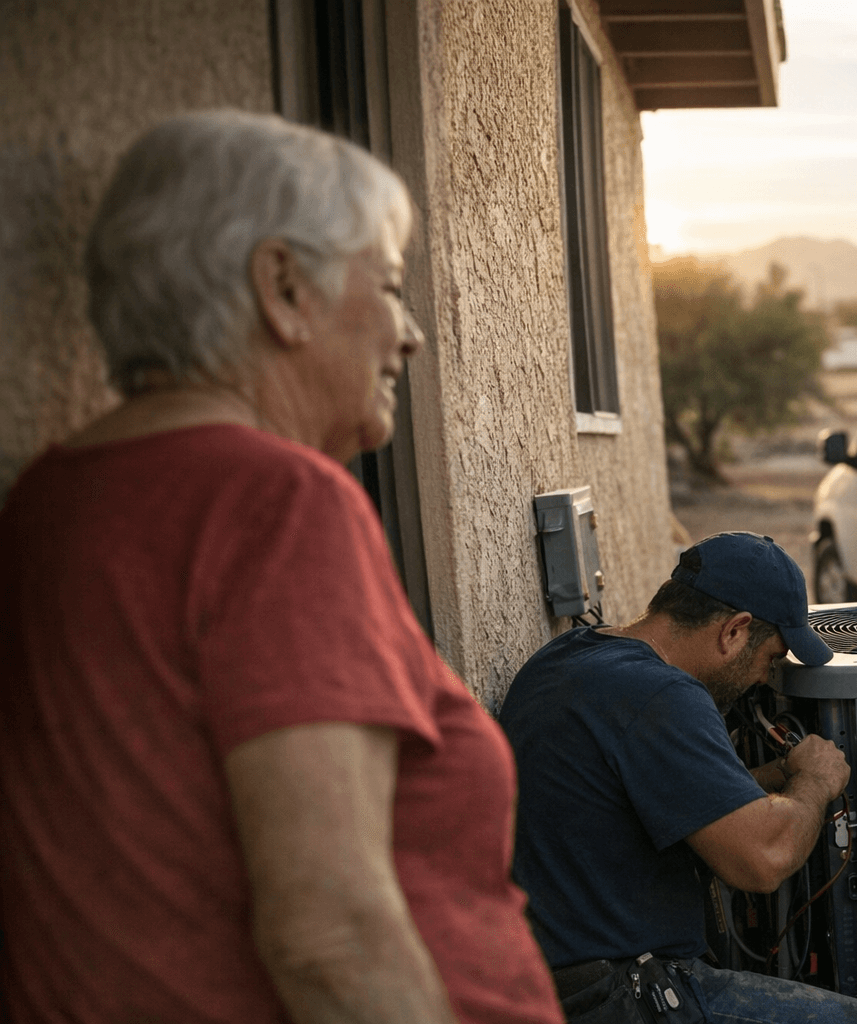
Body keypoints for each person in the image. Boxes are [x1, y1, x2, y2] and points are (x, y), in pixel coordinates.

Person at [0, 111, 561, 1024]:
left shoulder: (52, 496)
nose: (410, 334)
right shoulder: (276, 500)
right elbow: (333, 939)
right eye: (387, 285)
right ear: (283, 288)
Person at [498, 532, 857, 1024]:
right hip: (617, 994)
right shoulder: (661, 695)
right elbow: (763, 860)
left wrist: (771, 778)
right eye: (770, 659)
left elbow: (661, 793)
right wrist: (814, 780)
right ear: (734, 631)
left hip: (553, 975)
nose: (762, 680)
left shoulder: (571, 656)